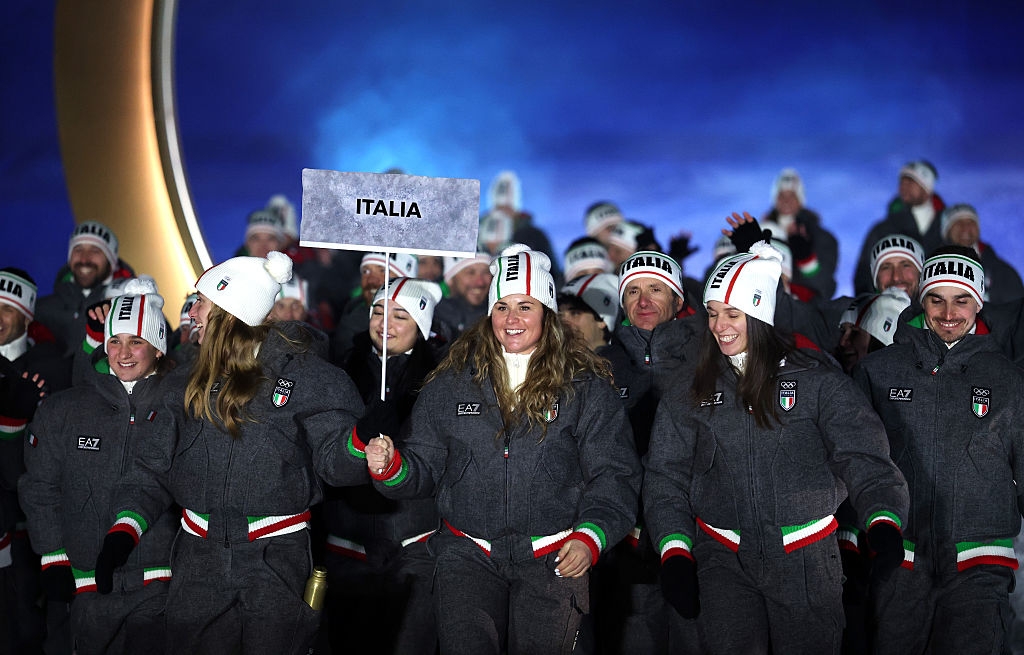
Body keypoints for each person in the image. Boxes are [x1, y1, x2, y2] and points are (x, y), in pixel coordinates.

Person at [365, 244, 641, 655]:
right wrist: (390, 466)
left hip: (555, 557)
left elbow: (615, 474)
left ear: (547, 312)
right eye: (502, 306)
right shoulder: (453, 382)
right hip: (467, 555)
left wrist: (590, 537)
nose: (512, 319)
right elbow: (423, 466)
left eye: (525, 306)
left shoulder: (584, 386)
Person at [90, 251, 370, 655]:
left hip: (276, 559)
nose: (192, 312)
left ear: (227, 309)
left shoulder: (311, 377)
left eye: (200, 302)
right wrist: (124, 530)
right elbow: (151, 468)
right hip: (197, 559)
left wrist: (364, 441)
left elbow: (336, 463)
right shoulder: (184, 382)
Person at [644, 241, 909, 655]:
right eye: (712, 313)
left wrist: (883, 517)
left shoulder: (817, 380)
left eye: (733, 314)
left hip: (805, 559)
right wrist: (675, 549)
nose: (719, 326)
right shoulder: (690, 389)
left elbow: (863, 455)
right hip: (722, 559)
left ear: (760, 314)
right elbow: (665, 475)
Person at [853, 246, 1024, 654]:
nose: (949, 313)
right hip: (900, 558)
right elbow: (856, 464)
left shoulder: (1009, 380)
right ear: (921, 299)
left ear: (979, 302)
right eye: (937, 299)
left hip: (978, 563)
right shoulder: (878, 372)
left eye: (962, 300)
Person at [19, 278, 178, 655]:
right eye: (114, 341)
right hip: (87, 585)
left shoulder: (182, 403)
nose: (123, 353)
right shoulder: (66, 408)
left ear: (158, 348)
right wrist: (53, 555)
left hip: (160, 583)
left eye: (136, 341)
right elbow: (40, 486)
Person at [323, 277, 445, 655]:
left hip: (414, 542)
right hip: (348, 540)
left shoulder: (443, 380)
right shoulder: (341, 369)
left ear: (422, 327)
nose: (385, 323)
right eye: (378, 311)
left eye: (400, 315)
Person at [591, 249, 704, 655]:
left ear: (678, 300)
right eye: (633, 291)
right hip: (627, 543)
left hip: (700, 538)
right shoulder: (598, 367)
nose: (643, 301)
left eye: (656, 289)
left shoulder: (709, 359)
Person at [0, 267, 67, 654]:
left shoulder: (49, 368)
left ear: (27, 315)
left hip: (29, 530)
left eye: (7, 309)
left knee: (27, 628)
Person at [35, 221, 133, 359]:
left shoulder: (136, 304)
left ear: (111, 262)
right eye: (78, 249)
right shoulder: (41, 310)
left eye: (95, 250)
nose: (84, 259)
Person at [853, 160, 945, 294]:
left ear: (927, 187)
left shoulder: (950, 229)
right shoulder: (882, 229)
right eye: (902, 182)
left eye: (911, 182)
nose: (904, 186)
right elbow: (863, 274)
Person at [761, 168, 839, 299]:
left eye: (792, 195)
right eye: (782, 196)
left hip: (803, 310)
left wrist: (806, 258)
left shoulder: (822, 238)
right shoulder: (761, 231)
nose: (786, 201)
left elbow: (825, 287)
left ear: (801, 199)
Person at [330, 252, 417, 366]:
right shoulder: (351, 325)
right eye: (366, 271)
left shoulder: (437, 325)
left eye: (383, 271)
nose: (371, 280)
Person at [940, 203, 1024, 303]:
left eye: (971, 222)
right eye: (958, 223)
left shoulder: (1001, 272)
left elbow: (1016, 311)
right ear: (946, 231)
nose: (965, 228)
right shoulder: (932, 269)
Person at [433, 252, 493, 344]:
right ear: (450, 280)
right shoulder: (430, 316)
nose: (480, 282)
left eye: (486, 272)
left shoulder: (496, 318)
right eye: (470, 272)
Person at [557, 273, 619, 352]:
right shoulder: (550, 361)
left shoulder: (624, 363)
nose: (563, 322)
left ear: (602, 321)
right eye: (560, 314)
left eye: (575, 313)